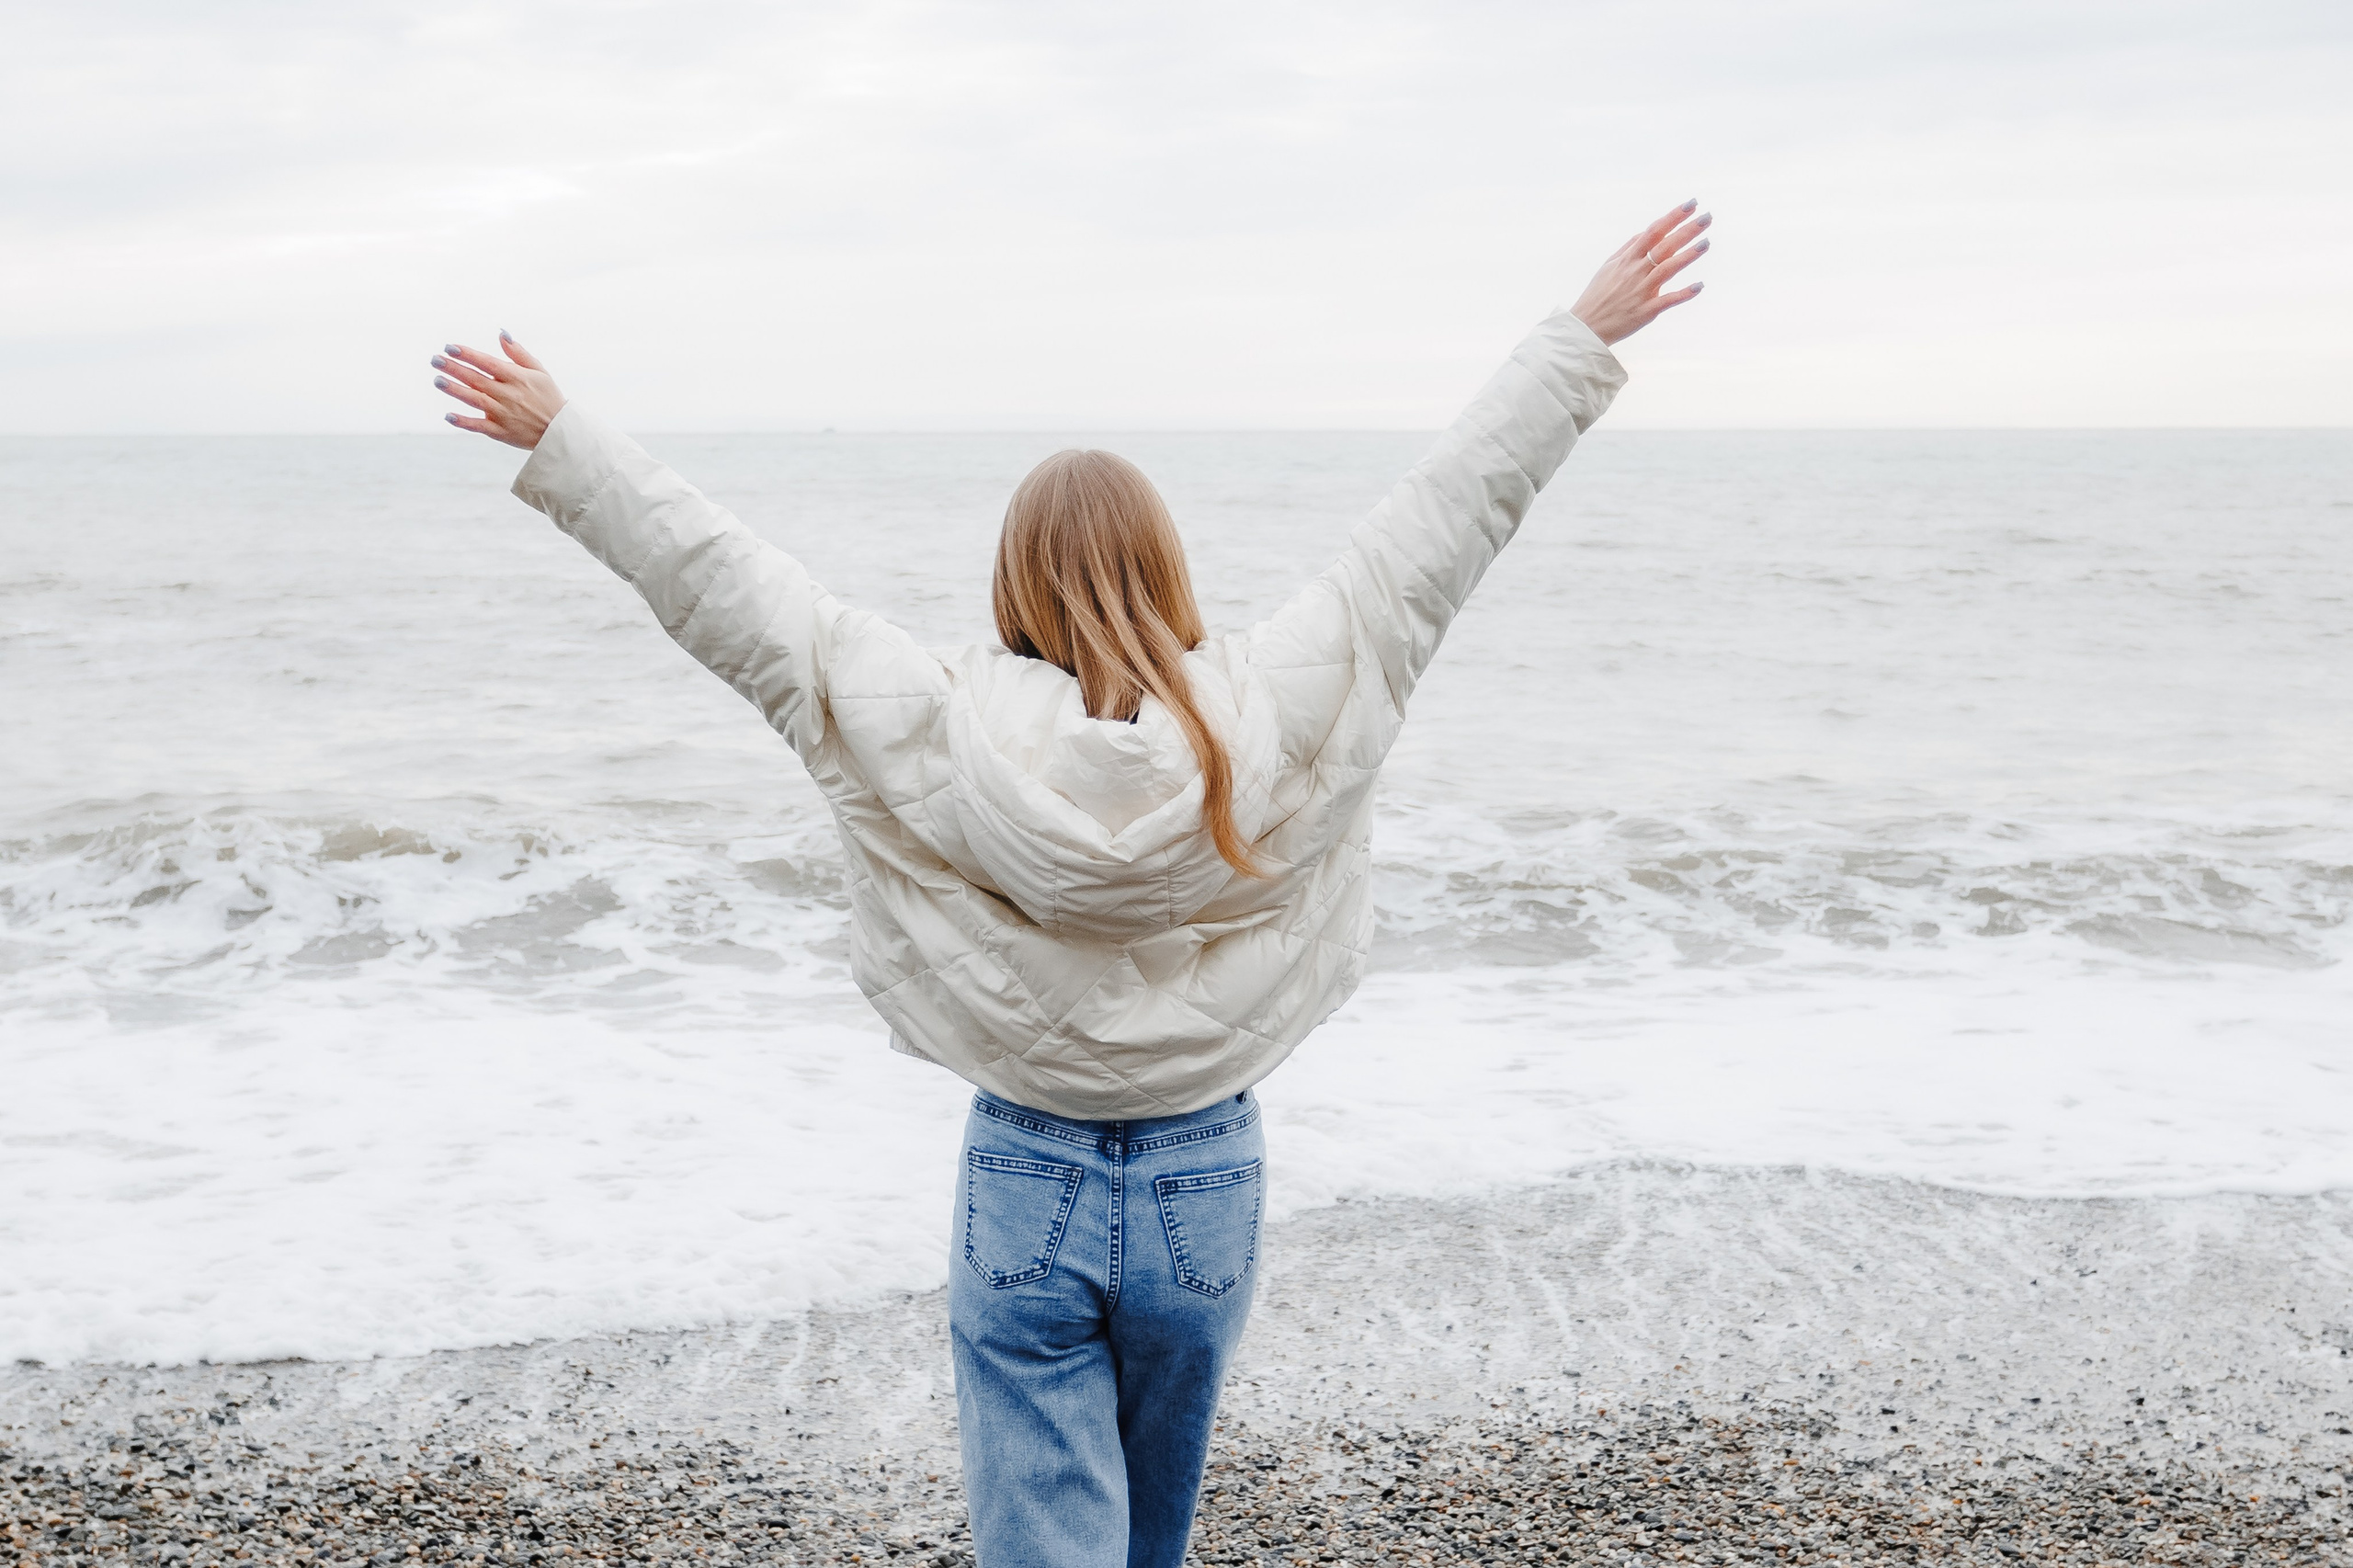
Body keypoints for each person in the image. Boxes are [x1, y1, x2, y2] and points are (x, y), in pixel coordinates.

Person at [430, 200, 1709, 1568]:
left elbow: (732, 589)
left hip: (1027, 1166)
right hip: (1203, 1170)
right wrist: (1578, 341)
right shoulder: (1274, 700)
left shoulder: (934, 716)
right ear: (1167, 566)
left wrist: (568, 442)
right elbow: (1440, 526)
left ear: (1012, 580)